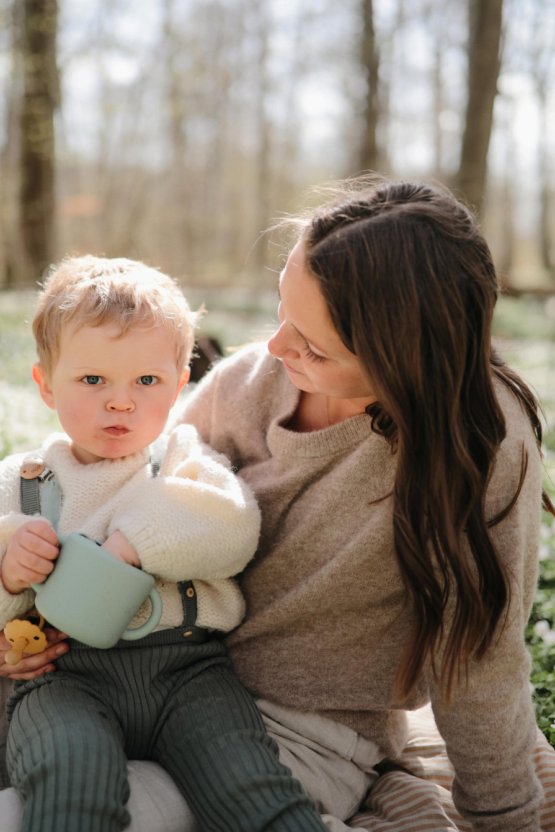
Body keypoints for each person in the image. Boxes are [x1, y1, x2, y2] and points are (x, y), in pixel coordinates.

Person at [1, 178, 554, 832]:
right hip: (123, 671)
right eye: (282, 315)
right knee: (54, 754)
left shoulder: (479, 444)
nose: (274, 348)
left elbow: (475, 650)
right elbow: (127, 483)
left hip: (287, 729)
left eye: (314, 346)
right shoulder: (255, 382)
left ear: (404, 362)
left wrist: (506, 817)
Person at [0, 256, 328, 832]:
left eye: (146, 381)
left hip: (189, 673)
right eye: (93, 380)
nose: (121, 402)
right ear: (47, 384)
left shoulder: (181, 459)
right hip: (64, 681)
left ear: (180, 385)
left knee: (252, 788)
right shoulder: (23, 482)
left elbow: (231, 527)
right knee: (70, 781)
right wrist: (7, 567)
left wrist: (129, 545)